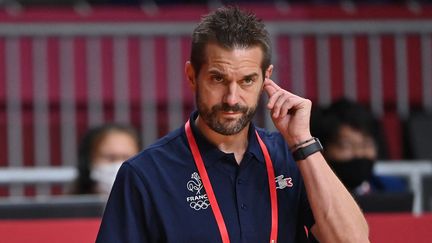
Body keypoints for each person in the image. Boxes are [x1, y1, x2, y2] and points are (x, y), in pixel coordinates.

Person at [97, 6, 369, 243]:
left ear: (266, 77)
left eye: (247, 80)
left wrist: (303, 143)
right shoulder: (146, 174)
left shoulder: (292, 157)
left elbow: (352, 241)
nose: (232, 98)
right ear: (192, 76)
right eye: (218, 79)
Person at [311, 98, 407, 195]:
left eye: (366, 145)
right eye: (346, 146)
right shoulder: (309, 194)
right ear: (321, 149)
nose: (359, 153)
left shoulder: (392, 189)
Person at [71, 123, 142, 196]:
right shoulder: (68, 204)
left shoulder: (150, 204)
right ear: (88, 160)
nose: (118, 165)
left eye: (126, 157)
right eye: (109, 157)